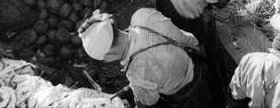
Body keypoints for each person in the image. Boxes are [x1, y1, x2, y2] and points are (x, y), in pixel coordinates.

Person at [78, 8, 212, 107]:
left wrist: (136, 97)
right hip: (196, 67)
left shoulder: (138, 73)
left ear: (108, 55)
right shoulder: (142, 16)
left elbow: (149, 102)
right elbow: (182, 38)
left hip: (189, 96)